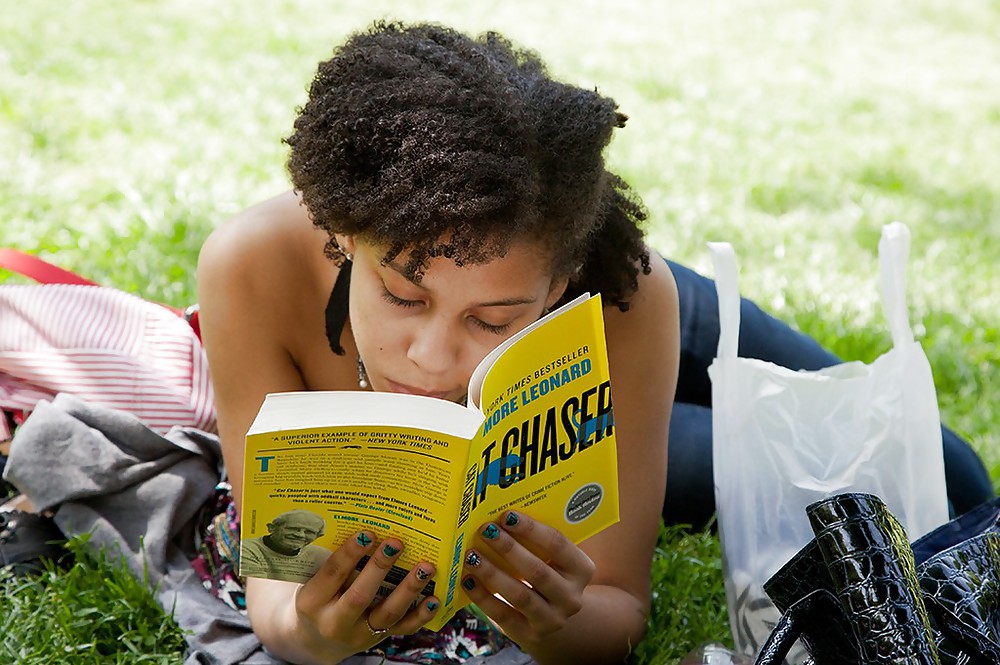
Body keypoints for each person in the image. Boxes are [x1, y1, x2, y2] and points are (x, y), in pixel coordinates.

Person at [194, 20, 994, 665]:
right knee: (845, 473)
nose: (433, 358)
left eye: (494, 320)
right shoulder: (250, 268)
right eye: (403, 294)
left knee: (950, 468)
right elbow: (278, 606)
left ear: (560, 281)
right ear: (343, 234)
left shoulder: (621, 291)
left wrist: (565, 620)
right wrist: (322, 633)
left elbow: (618, 607)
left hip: (631, 319)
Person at [240, 509, 333, 583]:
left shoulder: (323, 555)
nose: (300, 535)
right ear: (271, 528)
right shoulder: (248, 548)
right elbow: (259, 589)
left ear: (318, 536)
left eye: (309, 532)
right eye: (292, 529)